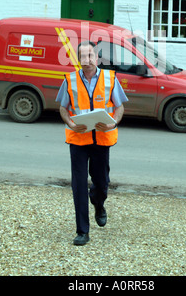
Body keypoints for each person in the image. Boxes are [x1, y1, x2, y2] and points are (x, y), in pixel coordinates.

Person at [56, 40, 128, 245]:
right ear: (77, 59)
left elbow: (119, 107)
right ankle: (82, 231)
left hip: (101, 140)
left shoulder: (109, 78)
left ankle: (98, 202)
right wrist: (70, 122)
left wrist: (113, 123)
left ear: (96, 57)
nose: (87, 60)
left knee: (102, 183)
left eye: (90, 56)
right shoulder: (69, 80)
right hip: (78, 140)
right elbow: (63, 108)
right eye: (83, 56)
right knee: (78, 185)